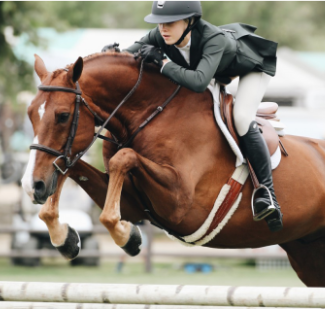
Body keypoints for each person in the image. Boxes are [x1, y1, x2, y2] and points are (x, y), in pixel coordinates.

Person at [102, 1, 282, 232]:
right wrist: (111, 54)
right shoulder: (160, 35)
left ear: (190, 22)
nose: (163, 29)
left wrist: (164, 63)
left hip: (251, 69)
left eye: (169, 23)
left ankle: (266, 193)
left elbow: (198, 82)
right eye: (159, 24)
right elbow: (128, 55)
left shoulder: (212, 39)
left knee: (240, 117)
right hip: (216, 70)